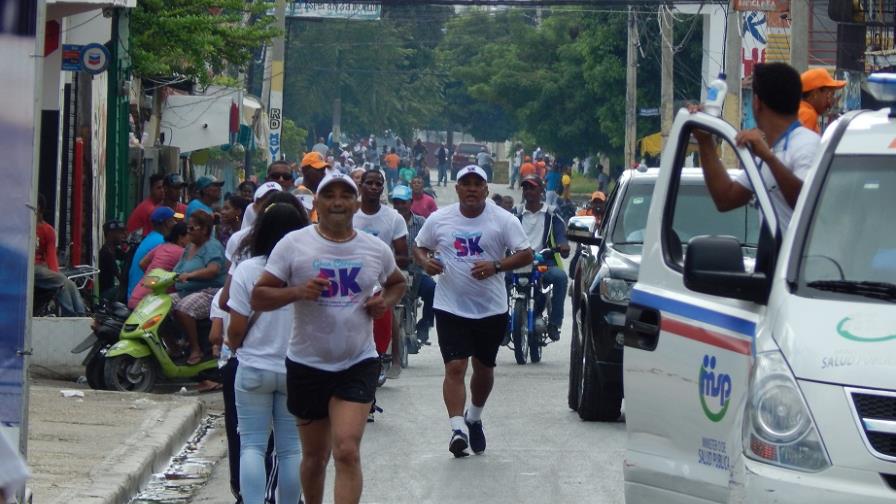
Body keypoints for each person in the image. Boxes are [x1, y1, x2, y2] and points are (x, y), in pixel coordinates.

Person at [250, 172, 406, 504]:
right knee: (315, 458)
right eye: (329, 195)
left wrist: (384, 302)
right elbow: (259, 296)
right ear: (317, 204)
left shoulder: (374, 248)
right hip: (307, 362)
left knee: (347, 450)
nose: (337, 202)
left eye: (345, 195)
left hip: (357, 361)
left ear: (356, 203)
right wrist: (297, 292)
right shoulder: (294, 245)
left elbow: (397, 282)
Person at [414, 165, 533, 457]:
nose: (470, 188)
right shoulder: (440, 219)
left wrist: (496, 266)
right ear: (457, 189)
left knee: (484, 368)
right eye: (464, 183)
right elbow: (419, 246)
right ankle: (457, 429)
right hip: (450, 305)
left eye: (476, 183)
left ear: (485, 190)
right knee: (455, 367)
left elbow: (526, 253)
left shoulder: (503, 220)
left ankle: (474, 417)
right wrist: (425, 262)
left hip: (490, 308)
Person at [228, 202, 309, 504]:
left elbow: (235, 328)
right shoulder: (306, 272)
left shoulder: (247, 270)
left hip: (252, 368)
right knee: (290, 449)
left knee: (251, 445)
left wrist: (236, 348)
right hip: (295, 369)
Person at [691, 62, 820, 231]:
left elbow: (806, 203)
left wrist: (769, 158)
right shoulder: (770, 150)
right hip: (774, 256)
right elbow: (726, 198)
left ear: (757, 102)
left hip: (798, 257)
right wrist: (705, 140)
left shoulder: (807, 144)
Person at [354, 170, 410, 379]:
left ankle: (391, 356)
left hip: (383, 277)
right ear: (361, 186)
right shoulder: (350, 214)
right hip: (352, 275)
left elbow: (403, 254)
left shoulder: (393, 218)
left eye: (379, 184)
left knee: (386, 307)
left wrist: (385, 262)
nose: (374, 187)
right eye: (370, 183)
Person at [515, 175, 570, 342]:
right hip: (518, 262)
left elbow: (561, 232)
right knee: (500, 278)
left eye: (532, 187)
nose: (529, 191)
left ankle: (554, 323)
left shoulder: (551, 214)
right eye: (525, 188)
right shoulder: (516, 213)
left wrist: (563, 244)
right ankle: (503, 324)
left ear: (541, 190)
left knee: (560, 277)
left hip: (543, 262)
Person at [172, 210, 227, 364]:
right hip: (186, 291)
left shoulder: (212, 246)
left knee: (183, 309)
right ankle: (174, 347)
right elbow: (178, 268)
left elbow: (213, 269)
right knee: (162, 305)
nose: (188, 232)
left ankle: (196, 349)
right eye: (187, 228)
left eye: (192, 228)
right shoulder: (189, 247)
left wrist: (190, 275)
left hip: (209, 292)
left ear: (204, 229)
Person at [390, 184, 436, 345]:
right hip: (391, 273)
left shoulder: (421, 222)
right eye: (396, 202)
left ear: (410, 202)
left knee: (432, 290)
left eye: (403, 202)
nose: (400, 206)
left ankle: (425, 324)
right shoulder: (388, 222)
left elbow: (430, 244)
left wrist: (426, 257)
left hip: (417, 272)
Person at [34, 194, 86, 316]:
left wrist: (55, 274)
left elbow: (51, 257)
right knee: (61, 280)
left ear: (39, 207)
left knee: (69, 284)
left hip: (40, 268)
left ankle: (81, 315)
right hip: (29, 267)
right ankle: (71, 316)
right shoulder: (23, 227)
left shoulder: (47, 230)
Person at [128, 222, 189, 309]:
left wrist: (153, 275)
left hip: (135, 297)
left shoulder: (162, 246)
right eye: (189, 235)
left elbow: (142, 263)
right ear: (181, 237)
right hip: (150, 304)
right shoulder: (182, 253)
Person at [126, 206, 178, 299]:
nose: (175, 223)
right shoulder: (161, 242)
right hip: (143, 296)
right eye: (173, 220)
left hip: (134, 293)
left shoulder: (151, 237)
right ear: (167, 223)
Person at [241, 161, 295, 231]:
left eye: (286, 177)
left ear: (292, 181)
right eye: (275, 176)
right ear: (267, 179)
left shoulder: (298, 207)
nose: (281, 179)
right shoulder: (253, 208)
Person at [799, 68, 846, 134]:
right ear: (814, 94)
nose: (831, 102)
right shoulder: (807, 114)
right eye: (829, 94)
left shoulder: (800, 110)